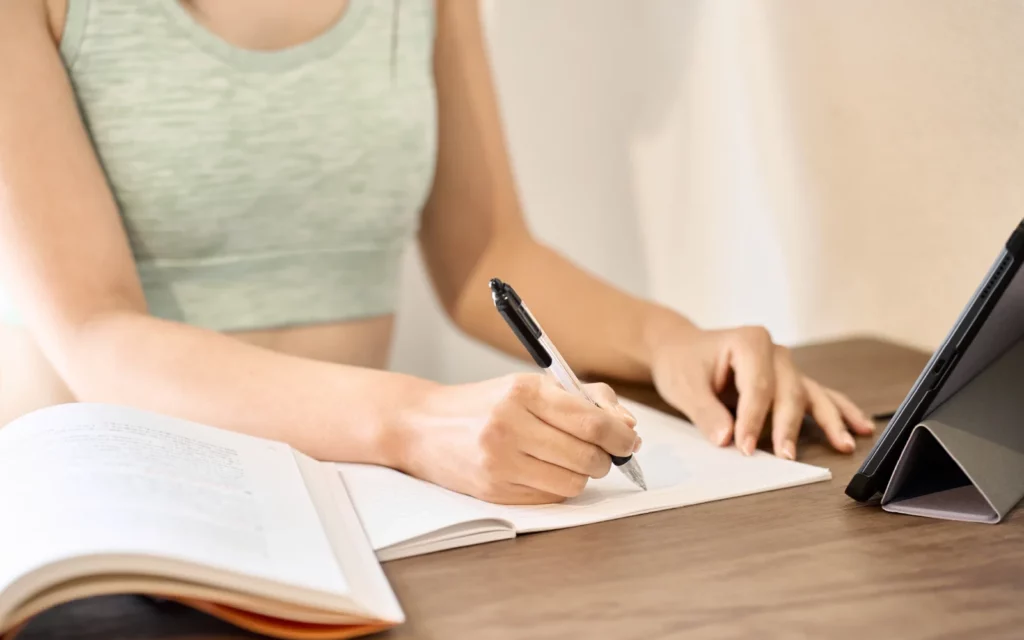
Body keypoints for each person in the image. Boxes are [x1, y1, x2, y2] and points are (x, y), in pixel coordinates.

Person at [0, 0, 874, 505]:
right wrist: (415, 421)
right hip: (117, 508)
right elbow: (97, 328)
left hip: (366, 505)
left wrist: (667, 339)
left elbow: (484, 253)